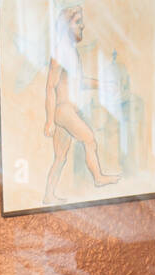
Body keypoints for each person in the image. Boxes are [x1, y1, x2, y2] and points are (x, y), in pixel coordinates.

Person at [42, 5, 121, 204]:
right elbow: (50, 87)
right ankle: (98, 178)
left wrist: (102, 85)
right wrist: (49, 120)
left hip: (66, 111)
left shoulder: (70, 52)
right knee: (89, 139)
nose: (82, 26)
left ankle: (48, 195)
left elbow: (80, 81)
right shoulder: (60, 52)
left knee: (60, 157)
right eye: (77, 22)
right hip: (64, 110)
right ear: (66, 25)